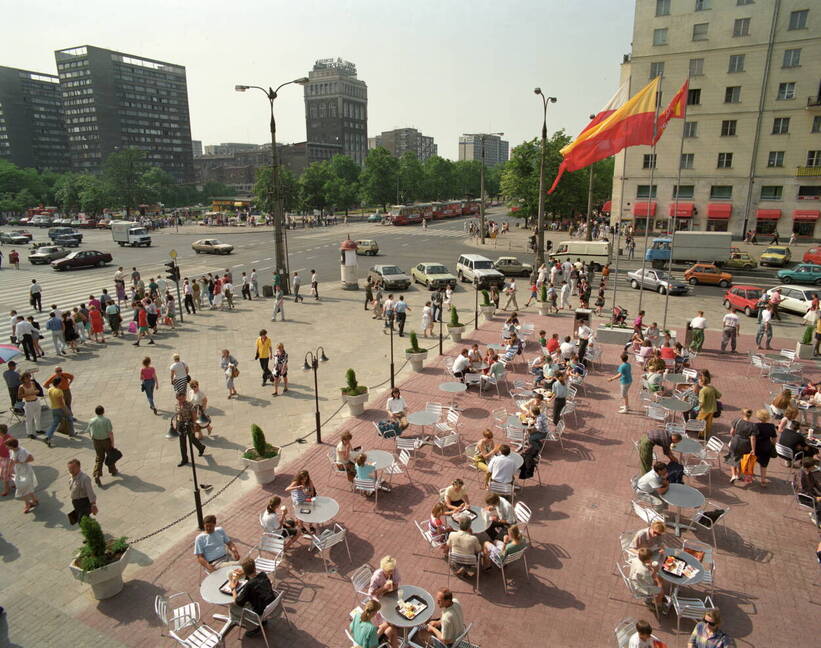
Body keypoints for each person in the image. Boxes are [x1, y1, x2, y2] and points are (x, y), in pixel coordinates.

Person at [226, 558, 276, 638]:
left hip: (259, 613)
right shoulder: (263, 575)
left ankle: (236, 620)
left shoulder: (249, 586)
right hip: (271, 606)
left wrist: (233, 588)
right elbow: (254, 579)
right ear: (255, 568)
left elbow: (238, 602)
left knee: (233, 606)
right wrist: (245, 573)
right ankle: (263, 622)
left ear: (245, 571)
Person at [628, 548, 667, 613]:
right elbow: (652, 582)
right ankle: (655, 604)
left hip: (634, 580)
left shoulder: (636, 559)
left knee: (660, 579)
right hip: (641, 588)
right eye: (650, 558)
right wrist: (655, 570)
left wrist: (649, 567)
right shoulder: (644, 571)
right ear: (647, 560)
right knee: (661, 590)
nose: (651, 559)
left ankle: (657, 599)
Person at [5, 437, 38, 513]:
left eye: (7, 445)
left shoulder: (22, 451)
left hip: (25, 471)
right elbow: (12, 461)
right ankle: (34, 500)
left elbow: (31, 458)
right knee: (26, 486)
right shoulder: (12, 451)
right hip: (19, 471)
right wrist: (9, 470)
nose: (6, 447)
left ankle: (27, 504)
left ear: (11, 446)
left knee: (21, 488)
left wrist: (20, 462)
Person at [87, 405, 117, 485]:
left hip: (96, 441)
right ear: (103, 411)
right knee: (110, 455)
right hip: (106, 441)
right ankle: (113, 470)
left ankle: (97, 474)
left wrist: (93, 438)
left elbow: (90, 431)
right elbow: (110, 433)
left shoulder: (91, 420)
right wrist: (112, 443)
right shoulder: (106, 420)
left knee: (99, 457)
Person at [175, 392, 205, 466]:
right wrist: (176, 425)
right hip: (180, 425)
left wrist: (195, 425)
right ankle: (184, 459)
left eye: (181, 398)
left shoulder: (190, 405)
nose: (180, 400)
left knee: (192, 439)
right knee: (182, 443)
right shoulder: (176, 405)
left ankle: (201, 448)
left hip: (189, 425)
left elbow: (194, 416)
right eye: (178, 399)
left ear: (185, 397)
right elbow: (177, 415)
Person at [44, 376, 73, 447]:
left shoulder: (50, 389)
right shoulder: (59, 391)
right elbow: (61, 403)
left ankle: (48, 436)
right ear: (59, 383)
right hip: (60, 409)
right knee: (70, 418)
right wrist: (67, 411)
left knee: (55, 423)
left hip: (53, 409)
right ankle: (72, 433)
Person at [727, 408, 755, 483]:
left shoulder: (737, 421)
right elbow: (752, 438)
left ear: (742, 414)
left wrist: (733, 438)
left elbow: (731, 432)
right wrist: (753, 449)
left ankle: (733, 475)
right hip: (745, 443)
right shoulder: (753, 425)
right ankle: (739, 475)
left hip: (735, 441)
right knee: (741, 459)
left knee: (733, 457)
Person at [751, 409, 777, 487]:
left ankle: (750, 474)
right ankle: (763, 481)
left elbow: (753, 438)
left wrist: (753, 449)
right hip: (766, 447)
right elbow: (774, 438)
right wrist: (772, 445)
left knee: (753, 461)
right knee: (764, 465)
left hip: (757, 446)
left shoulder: (756, 425)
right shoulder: (771, 426)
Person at [67, 458, 97, 522]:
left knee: (81, 520)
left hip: (83, 502)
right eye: (69, 469)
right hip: (76, 503)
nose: (71, 470)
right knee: (81, 519)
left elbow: (90, 492)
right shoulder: (71, 476)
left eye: (73, 468)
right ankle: (92, 528)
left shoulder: (84, 479)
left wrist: (93, 505)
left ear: (79, 467)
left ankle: (93, 529)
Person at [795, 458, 821, 526]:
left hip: (811, 494)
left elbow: (815, 483)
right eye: (813, 466)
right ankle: (816, 518)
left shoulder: (809, 472)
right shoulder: (800, 475)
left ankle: (816, 513)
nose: (814, 467)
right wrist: (815, 498)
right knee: (820, 503)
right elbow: (802, 491)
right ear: (809, 467)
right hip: (804, 497)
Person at [697, 374, 721, 439]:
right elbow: (719, 395)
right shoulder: (711, 388)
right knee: (708, 423)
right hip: (712, 409)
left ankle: (701, 435)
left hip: (704, 410)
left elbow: (702, 402)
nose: (698, 382)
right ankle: (705, 435)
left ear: (702, 382)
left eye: (699, 381)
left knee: (700, 422)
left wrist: (697, 408)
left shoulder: (702, 391)